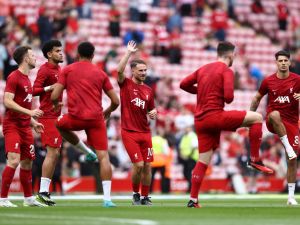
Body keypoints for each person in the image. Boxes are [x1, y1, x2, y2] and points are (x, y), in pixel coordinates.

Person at [179, 41, 274, 208]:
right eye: (234, 55)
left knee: (202, 161)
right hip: (215, 116)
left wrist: (201, 91)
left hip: (200, 121)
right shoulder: (227, 71)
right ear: (231, 55)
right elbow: (229, 97)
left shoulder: (203, 69)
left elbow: (183, 84)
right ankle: (254, 159)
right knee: (258, 117)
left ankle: (193, 199)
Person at [51, 42, 119, 207]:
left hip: (76, 118)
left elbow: (54, 95)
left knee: (58, 124)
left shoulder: (68, 70)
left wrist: (56, 104)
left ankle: (86, 151)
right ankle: (107, 199)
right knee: (104, 157)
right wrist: (108, 110)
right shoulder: (101, 73)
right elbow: (116, 101)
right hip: (96, 120)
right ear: (93, 55)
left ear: (77, 54)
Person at [250, 50, 299, 205]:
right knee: (275, 114)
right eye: (280, 61)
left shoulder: (298, 80)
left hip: (291, 123)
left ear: (290, 63)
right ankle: (287, 147)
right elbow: (257, 98)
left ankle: (291, 197)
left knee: (292, 160)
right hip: (273, 120)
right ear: (276, 63)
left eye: (286, 60)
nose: (283, 63)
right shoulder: (268, 81)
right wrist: (249, 116)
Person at [0, 46, 46, 207]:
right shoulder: (14, 77)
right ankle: (2, 199)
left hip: (25, 126)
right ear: (26, 58)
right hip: (12, 125)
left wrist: (33, 122)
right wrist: (30, 112)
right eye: (33, 55)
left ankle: (28, 198)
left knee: (28, 162)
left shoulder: (27, 79)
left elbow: (22, 105)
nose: (35, 58)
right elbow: (7, 101)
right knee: (13, 160)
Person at [117, 40, 157, 205]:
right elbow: (119, 70)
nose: (143, 73)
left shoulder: (148, 90)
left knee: (147, 165)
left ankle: (145, 196)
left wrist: (153, 112)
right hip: (129, 132)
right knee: (138, 165)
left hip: (145, 132)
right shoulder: (125, 84)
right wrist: (128, 53)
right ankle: (135, 193)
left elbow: (150, 110)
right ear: (132, 71)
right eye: (140, 70)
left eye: (145, 70)